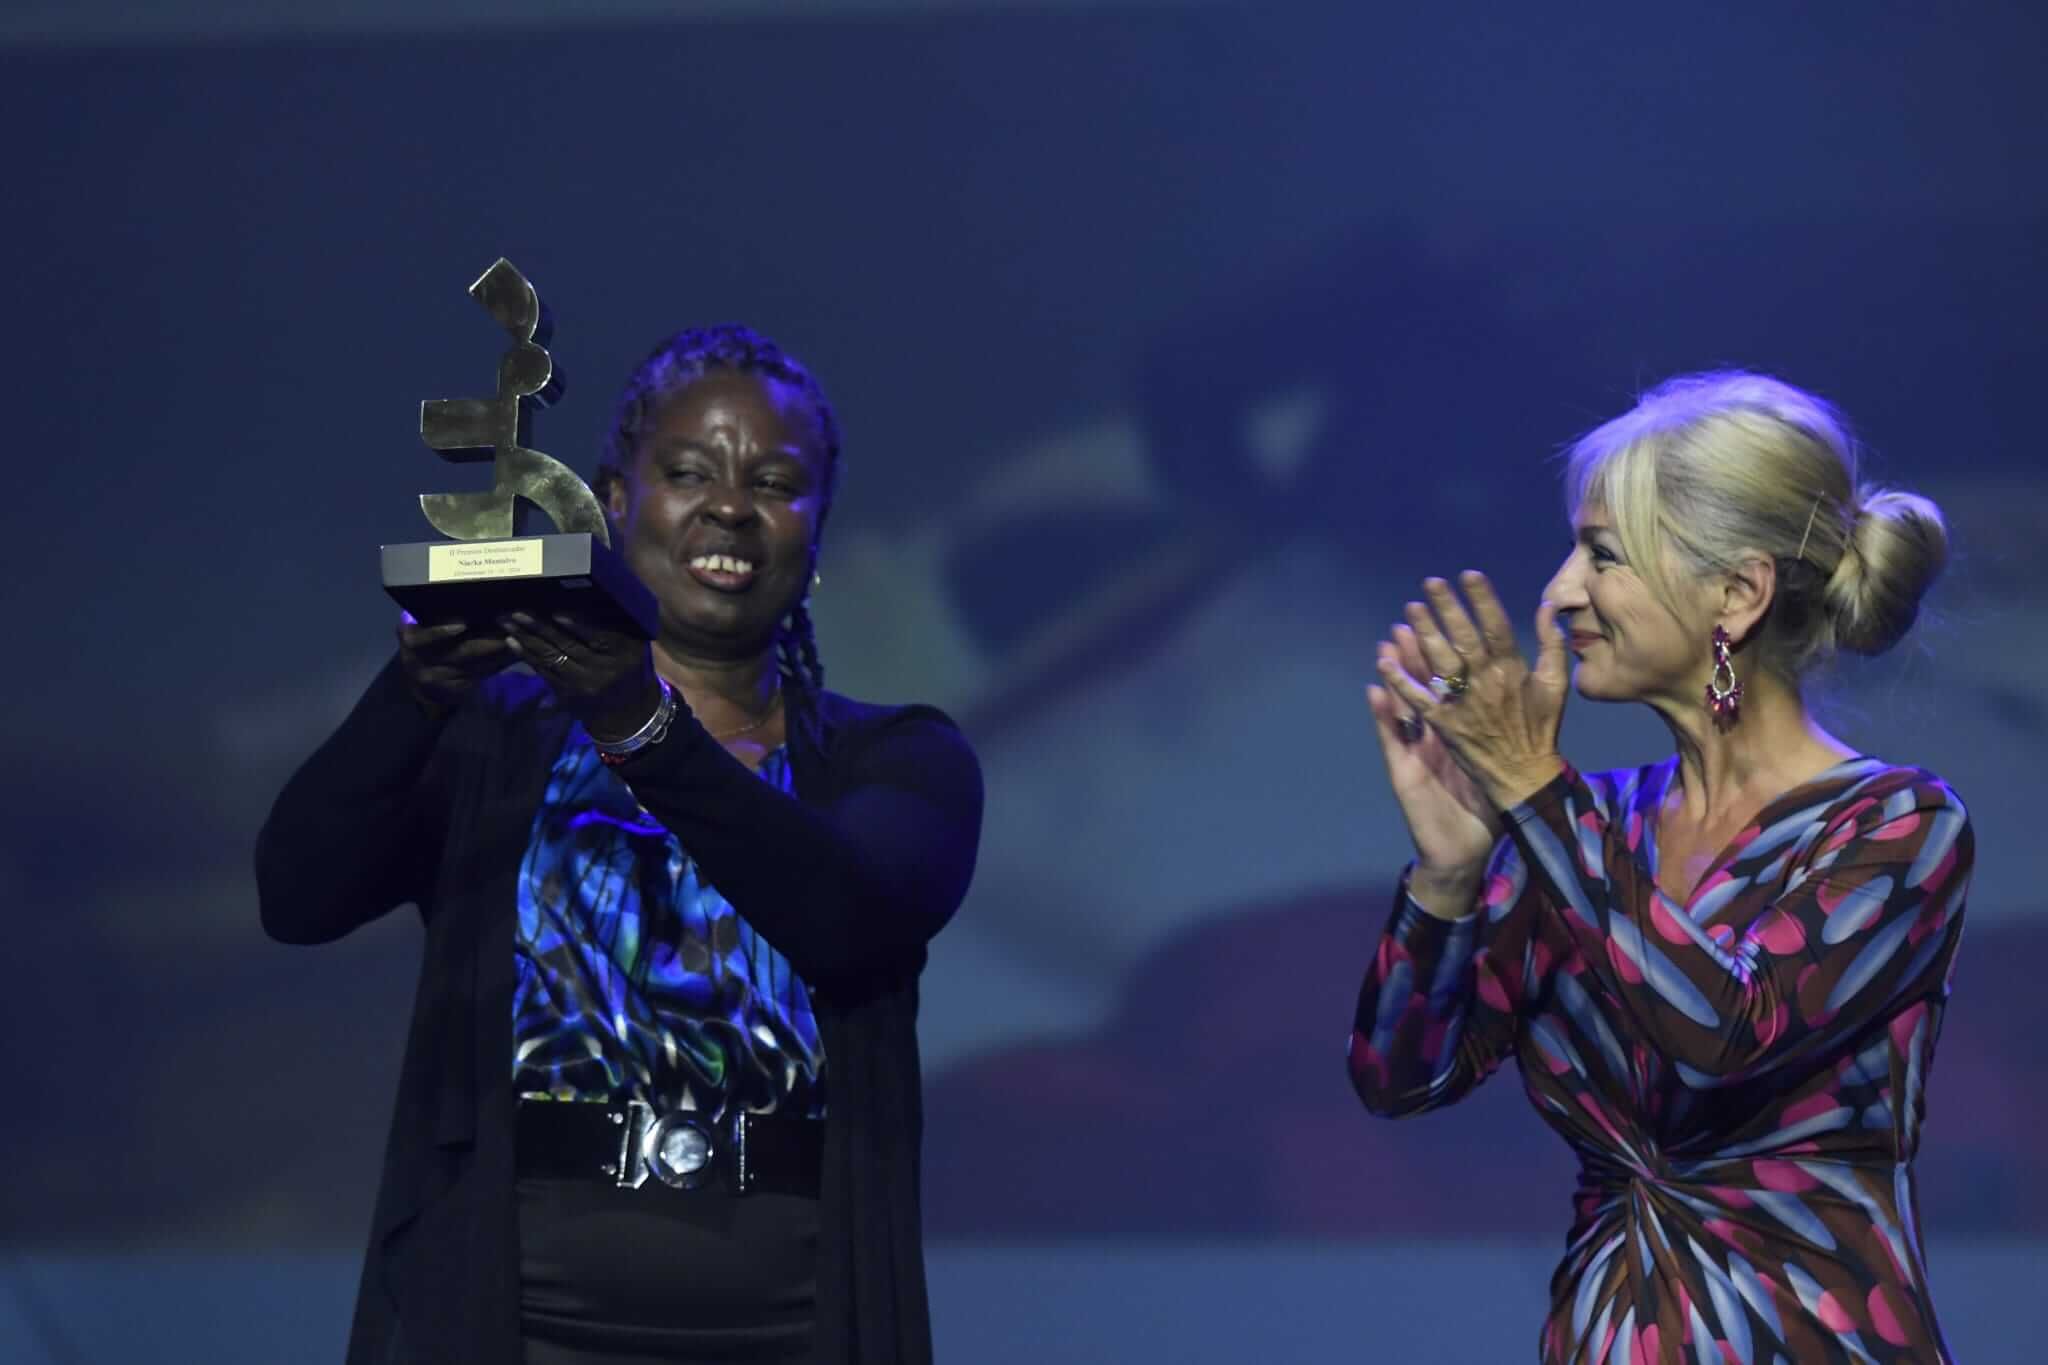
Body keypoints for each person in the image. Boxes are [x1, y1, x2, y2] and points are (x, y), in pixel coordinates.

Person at [257, 325, 983, 1364]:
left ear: (815, 533)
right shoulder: (500, 741)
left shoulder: (898, 759)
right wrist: (411, 693)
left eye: (775, 482)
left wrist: (638, 721)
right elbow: (296, 896)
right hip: (511, 1320)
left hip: (788, 1324)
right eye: (688, 471)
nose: (730, 505)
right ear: (612, 498)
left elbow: (846, 921)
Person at [1349, 372, 1970, 1362]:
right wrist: (1450, 873)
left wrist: (1527, 785)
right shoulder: (1585, 827)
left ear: (1735, 593)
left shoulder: (1897, 826)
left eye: (1601, 555)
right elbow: (1401, 1078)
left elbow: (1722, 1033)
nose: (1556, 594)